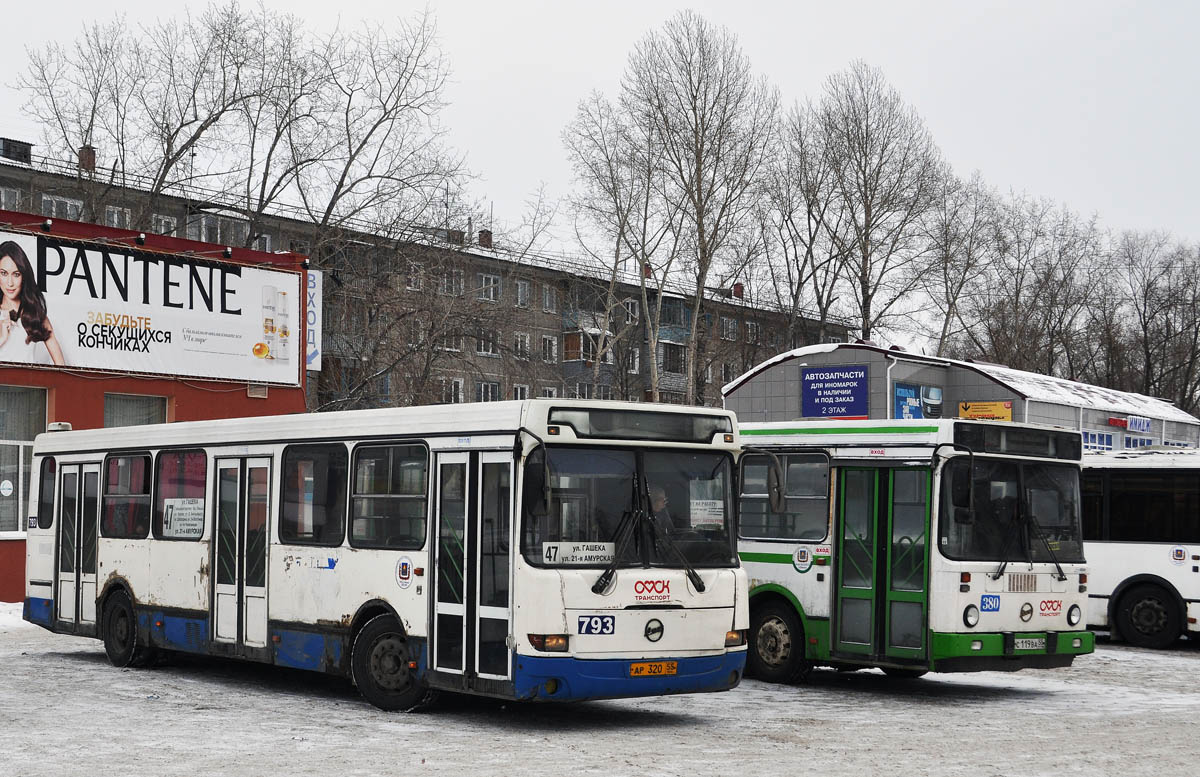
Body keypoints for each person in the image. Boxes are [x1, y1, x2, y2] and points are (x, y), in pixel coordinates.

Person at [0, 240, 65, 366]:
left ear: (24, 276)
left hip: (27, 384)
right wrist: (1, 338)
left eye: (16, 274)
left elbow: (61, 366)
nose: (10, 283)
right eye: (3, 273)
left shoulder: (36, 315)